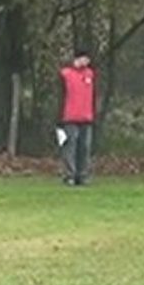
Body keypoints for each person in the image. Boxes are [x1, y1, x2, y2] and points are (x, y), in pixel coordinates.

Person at [57, 48, 96, 186]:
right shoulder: (66, 74)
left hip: (86, 117)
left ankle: (83, 175)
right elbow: (60, 96)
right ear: (77, 59)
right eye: (85, 58)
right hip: (70, 117)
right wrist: (59, 117)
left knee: (85, 147)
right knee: (70, 146)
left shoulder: (90, 74)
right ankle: (70, 175)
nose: (87, 62)